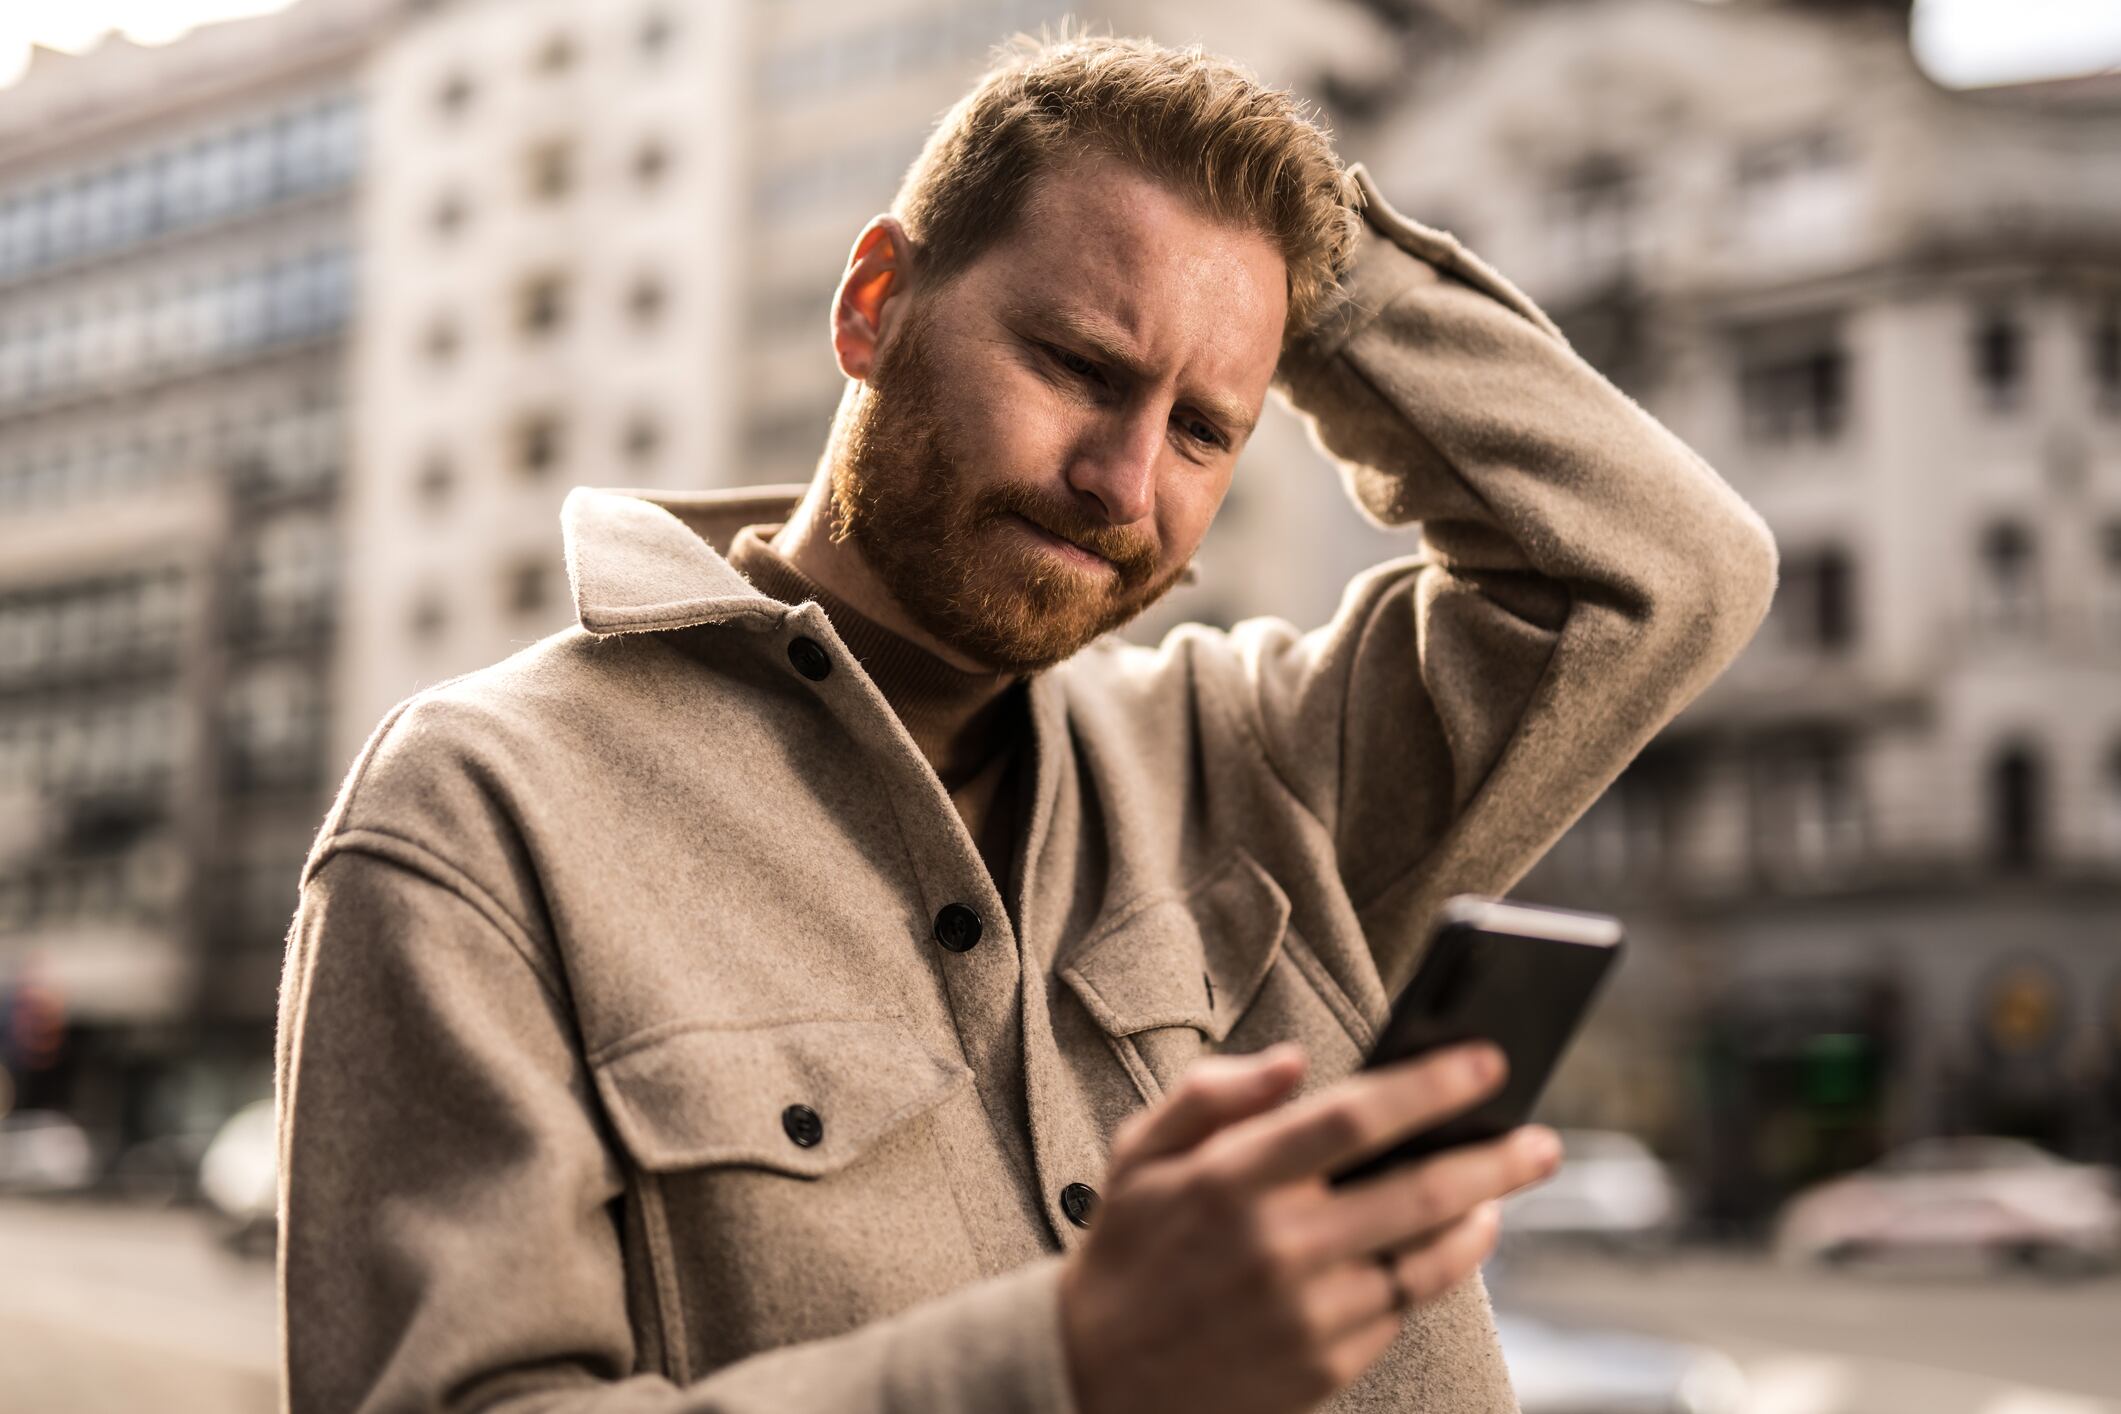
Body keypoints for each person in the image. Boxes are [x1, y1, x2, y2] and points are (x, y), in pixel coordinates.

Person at [275, 32, 1777, 1414]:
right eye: (1078, 366)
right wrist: (1062, 1363)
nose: (1125, 483)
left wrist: (1312, 269)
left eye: (1203, 429)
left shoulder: (1257, 760)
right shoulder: (481, 809)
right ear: (874, 304)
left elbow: (1660, 569)